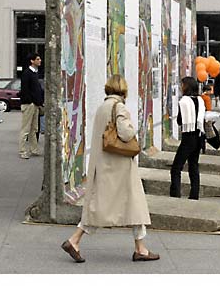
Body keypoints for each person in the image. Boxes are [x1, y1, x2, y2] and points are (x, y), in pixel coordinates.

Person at [61, 75, 159, 263]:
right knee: (130, 203)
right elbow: (126, 133)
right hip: (119, 166)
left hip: (104, 165)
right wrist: (132, 126)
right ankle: (75, 240)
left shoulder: (102, 108)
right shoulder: (119, 107)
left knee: (104, 205)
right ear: (123, 89)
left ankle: (140, 247)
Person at [170, 77, 206, 200]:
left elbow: (180, 121)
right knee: (193, 166)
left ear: (187, 86)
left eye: (182, 85)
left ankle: (175, 195)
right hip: (199, 137)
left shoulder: (184, 101)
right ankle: (194, 195)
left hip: (188, 137)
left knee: (176, 168)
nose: (181, 87)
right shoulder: (200, 100)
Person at [20, 53, 44, 159]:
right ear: (32, 61)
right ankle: (22, 150)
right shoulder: (27, 73)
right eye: (38, 59)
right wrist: (30, 102)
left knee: (34, 129)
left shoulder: (35, 73)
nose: (40, 60)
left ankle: (34, 149)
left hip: (36, 105)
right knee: (25, 129)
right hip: (29, 104)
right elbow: (25, 89)